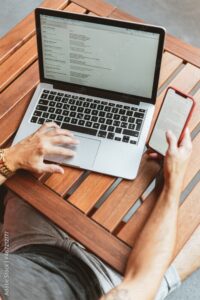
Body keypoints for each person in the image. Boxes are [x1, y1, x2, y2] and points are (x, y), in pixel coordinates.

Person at [0, 122, 199, 300]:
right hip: (101, 280)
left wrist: (10, 159)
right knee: (187, 240)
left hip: (26, 246)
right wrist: (172, 183)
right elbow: (141, 281)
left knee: (28, 176)